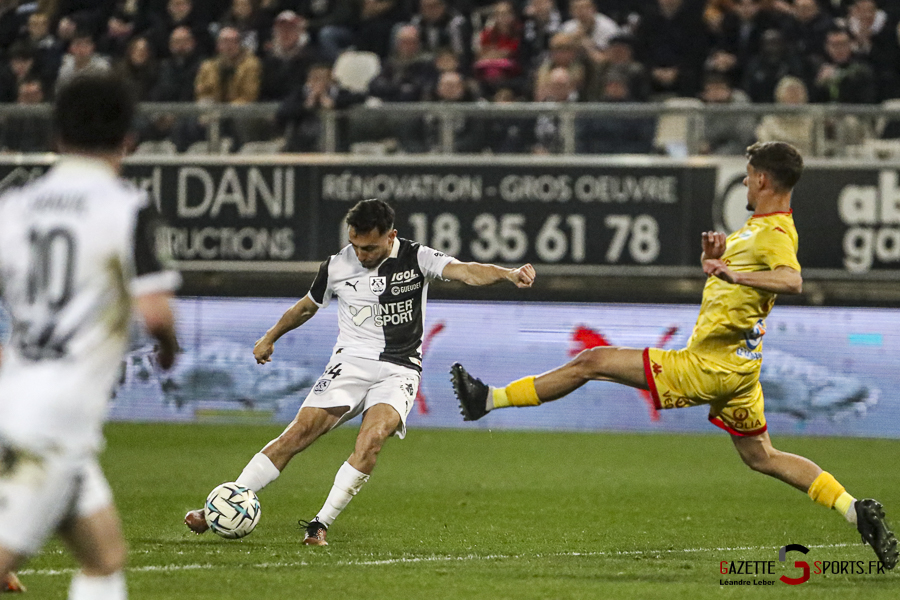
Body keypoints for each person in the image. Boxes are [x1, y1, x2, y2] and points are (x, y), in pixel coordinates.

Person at [451, 141, 899, 571]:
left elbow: (792, 280)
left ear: (762, 179)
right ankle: (854, 510)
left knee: (593, 361)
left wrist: (733, 275)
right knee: (761, 455)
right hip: (741, 371)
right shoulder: (757, 232)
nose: (744, 186)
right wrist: (717, 264)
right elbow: (745, 280)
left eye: (746, 178)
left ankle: (487, 400)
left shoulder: (775, 233)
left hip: (710, 366)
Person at [185, 199, 535, 545]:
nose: (361, 255)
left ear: (390, 236)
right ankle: (222, 505)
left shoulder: (417, 257)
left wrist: (508, 274)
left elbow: (467, 270)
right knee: (298, 434)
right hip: (350, 363)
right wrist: (270, 337)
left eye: (369, 247)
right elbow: (307, 306)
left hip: (399, 370)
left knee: (372, 441)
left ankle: (319, 524)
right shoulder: (337, 265)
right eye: (355, 245)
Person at [0, 74, 180, 600]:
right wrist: (169, 351)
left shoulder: (15, 206)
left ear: (55, 135)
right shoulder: (127, 208)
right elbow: (157, 315)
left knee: (104, 556)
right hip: (55, 420)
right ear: (130, 137)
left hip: (21, 400)